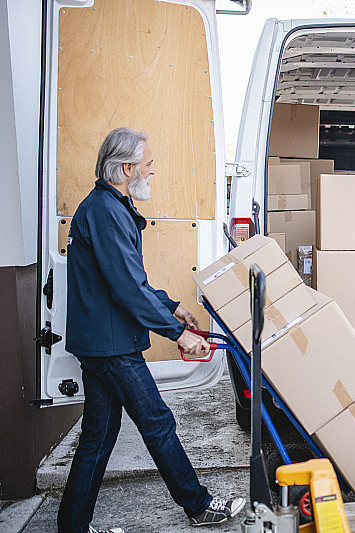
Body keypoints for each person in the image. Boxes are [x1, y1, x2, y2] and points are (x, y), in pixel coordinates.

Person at [58, 128, 245, 533]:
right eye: (148, 165)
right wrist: (177, 334)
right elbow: (126, 287)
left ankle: (71, 527)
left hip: (101, 341)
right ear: (126, 169)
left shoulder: (107, 206)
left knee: (98, 435)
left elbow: (131, 281)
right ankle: (199, 507)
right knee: (158, 423)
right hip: (111, 346)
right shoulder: (106, 213)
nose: (152, 171)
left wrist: (172, 308)